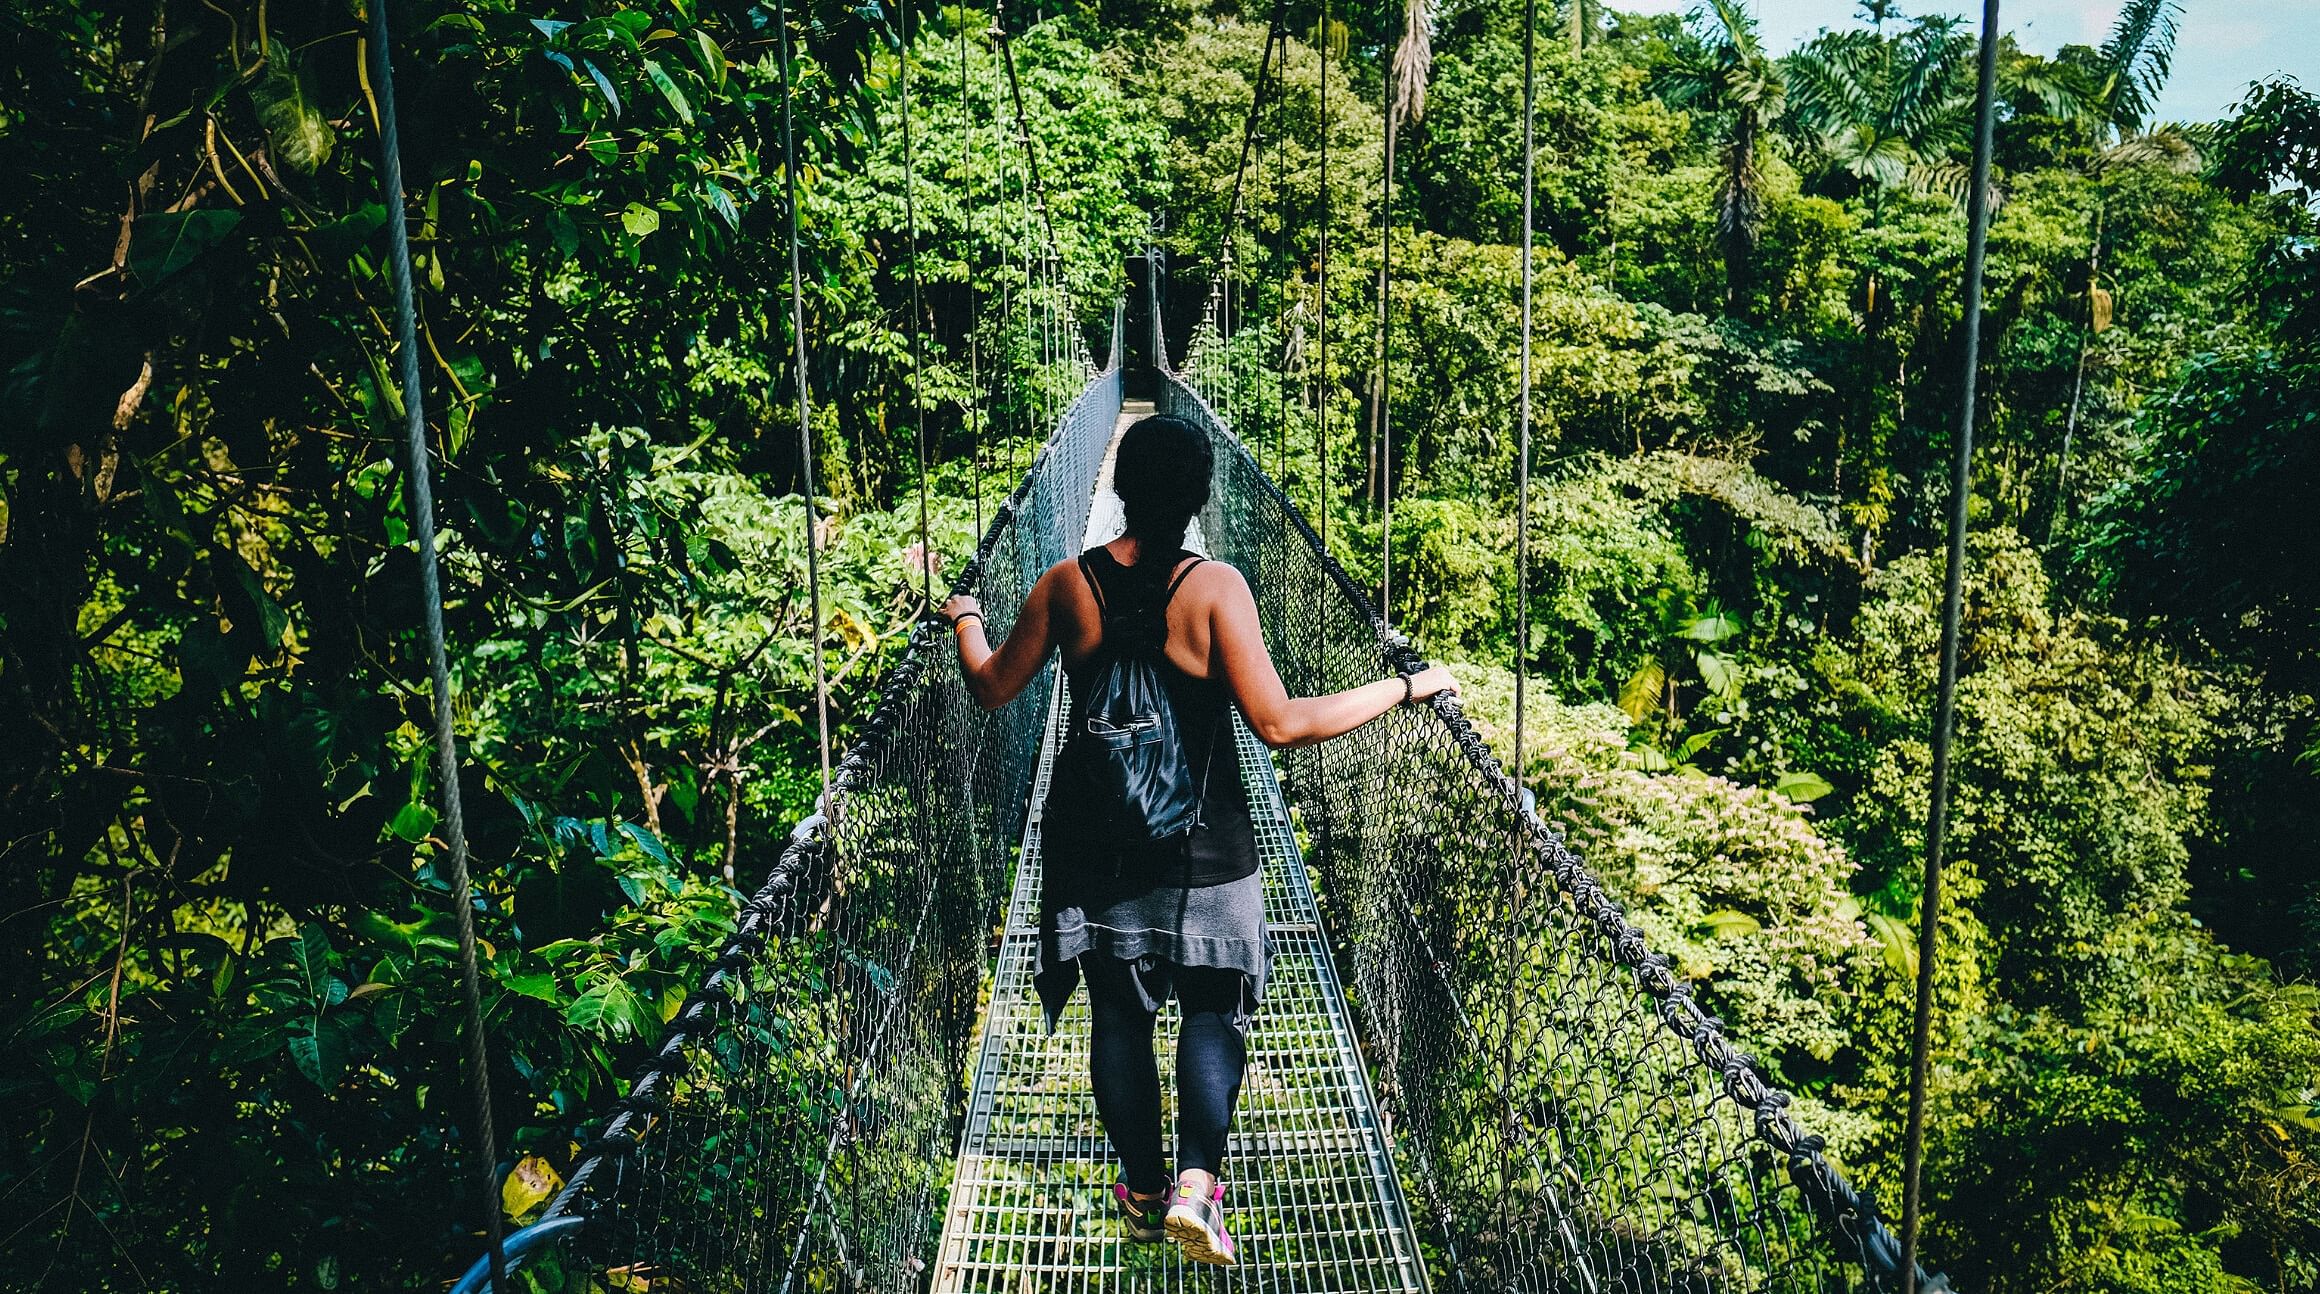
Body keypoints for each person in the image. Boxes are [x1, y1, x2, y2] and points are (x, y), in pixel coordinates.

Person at [940, 414, 1457, 1267]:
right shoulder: (1218, 589)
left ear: (1114, 491)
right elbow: (1280, 725)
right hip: (1207, 847)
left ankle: (1142, 1193)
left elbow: (993, 688)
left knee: (1118, 1015)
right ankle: (1194, 1188)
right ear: (1200, 498)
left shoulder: (1069, 584)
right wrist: (1404, 688)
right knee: (1213, 1007)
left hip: (1096, 845)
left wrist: (965, 617)